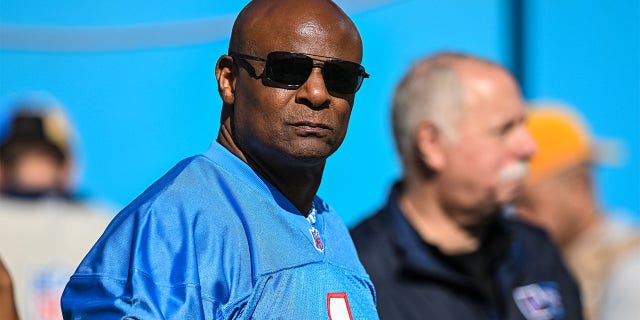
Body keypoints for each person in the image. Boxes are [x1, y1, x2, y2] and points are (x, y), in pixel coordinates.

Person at [61, 1, 378, 319]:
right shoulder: (177, 221)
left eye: (341, 76)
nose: (317, 93)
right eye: (288, 70)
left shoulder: (330, 226)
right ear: (229, 79)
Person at [351, 52, 583, 319]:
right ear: (432, 144)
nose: (529, 147)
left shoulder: (535, 251)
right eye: (505, 130)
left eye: (523, 125)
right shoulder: (360, 275)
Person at [515, 103, 640, 320]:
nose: (517, 216)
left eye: (528, 204)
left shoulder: (630, 270)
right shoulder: (536, 262)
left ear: (579, 187)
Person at [0, 94, 113, 320]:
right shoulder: (109, 223)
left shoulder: (106, 222)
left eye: (42, 158)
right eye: (21, 159)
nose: (34, 171)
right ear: (69, 167)